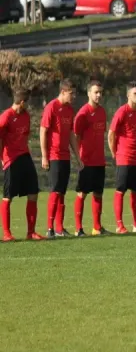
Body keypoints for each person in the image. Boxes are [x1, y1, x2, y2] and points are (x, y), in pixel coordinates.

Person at [0, 89, 45, 241]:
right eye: (28, 102)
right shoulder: (6, 116)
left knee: (33, 193)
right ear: (22, 102)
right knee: (8, 197)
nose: (29, 106)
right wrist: (2, 158)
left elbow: (24, 137)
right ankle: (7, 234)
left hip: (25, 156)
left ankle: (30, 232)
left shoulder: (26, 116)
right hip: (11, 160)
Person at [40, 78, 83, 238]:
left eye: (75, 94)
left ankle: (59, 228)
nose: (74, 97)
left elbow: (71, 134)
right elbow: (43, 131)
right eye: (71, 94)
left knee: (62, 192)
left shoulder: (69, 110)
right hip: (54, 155)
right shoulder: (52, 107)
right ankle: (49, 228)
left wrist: (77, 156)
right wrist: (44, 155)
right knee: (55, 191)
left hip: (65, 156)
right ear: (63, 92)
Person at [108, 81, 136, 234]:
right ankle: (119, 225)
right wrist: (114, 153)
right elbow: (111, 134)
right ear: (128, 95)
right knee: (120, 190)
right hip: (124, 158)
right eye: (135, 93)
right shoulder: (122, 112)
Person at [73, 80, 108, 237]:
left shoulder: (102, 112)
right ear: (89, 93)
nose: (99, 95)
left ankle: (96, 227)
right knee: (82, 193)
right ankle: (78, 229)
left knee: (98, 194)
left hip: (99, 160)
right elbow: (76, 137)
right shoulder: (83, 114)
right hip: (86, 161)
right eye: (96, 92)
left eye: (100, 92)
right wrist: (79, 158)